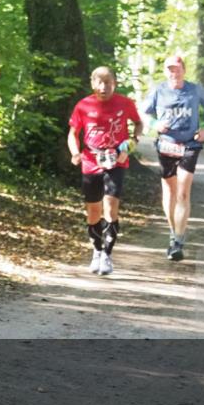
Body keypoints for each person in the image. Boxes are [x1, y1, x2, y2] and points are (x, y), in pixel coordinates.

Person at [68, 67, 143, 276]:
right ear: (93, 84)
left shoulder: (125, 103)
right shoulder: (83, 105)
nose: (104, 87)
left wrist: (132, 143)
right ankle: (97, 250)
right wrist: (75, 152)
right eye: (99, 82)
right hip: (91, 161)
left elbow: (138, 124)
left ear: (115, 83)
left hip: (116, 160)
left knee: (110, 207)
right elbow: (73, 133)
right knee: (93, 211)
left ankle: (107, 256)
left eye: (108, 82)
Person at [142, 54, 204, 261]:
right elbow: (144, 112)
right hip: (166, 144)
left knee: (183, 191)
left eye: (176, 68)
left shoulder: (194, 90)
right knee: (170, 190)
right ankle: (173, 231)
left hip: (190, 144)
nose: (173, 72)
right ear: (165, 71)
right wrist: (154, 125)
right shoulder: (158, 90)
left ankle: (178, 240)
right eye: (169, 69)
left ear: (184, 69)